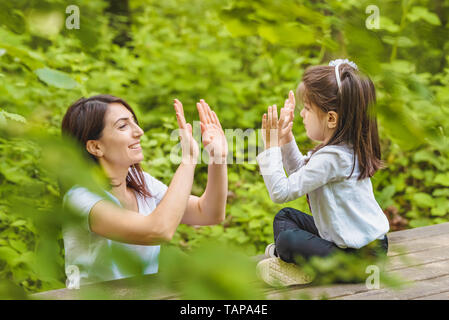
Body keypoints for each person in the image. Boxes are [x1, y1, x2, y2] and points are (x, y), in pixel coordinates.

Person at [61, 94, 228, 286]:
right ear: (96, 147)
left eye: (135, 122)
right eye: (123, 126)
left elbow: (207, 213)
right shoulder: (81, 199)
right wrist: (188, 161)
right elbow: (158, 230)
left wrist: (217, 158)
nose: (139, 131)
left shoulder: (140, 183)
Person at [255, 59, 390, 287]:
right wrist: (286, 139)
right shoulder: (339, 149)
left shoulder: (334, 158)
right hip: (349, 243)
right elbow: (303, 175)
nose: (302, 115)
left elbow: (280, 192)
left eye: (307, 109)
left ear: (331, 118)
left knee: (288, 239)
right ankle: (298, 261)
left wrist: (271, 148)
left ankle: (304, 266)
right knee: (285, 217)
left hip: (362, 260)